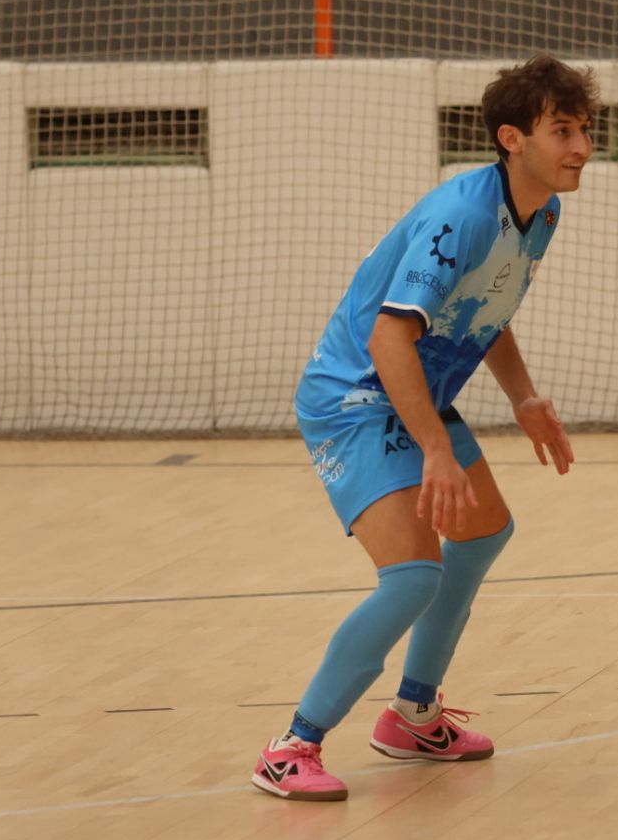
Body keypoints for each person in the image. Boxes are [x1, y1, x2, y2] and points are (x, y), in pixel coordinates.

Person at [252, 55, 596, 801]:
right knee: (411, 575)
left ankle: (412, 712)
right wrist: (436, 448)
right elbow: (386, 338)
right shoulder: (463, 216)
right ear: (513, 138)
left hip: (414, 389)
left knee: (482, 532)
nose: (580, 147)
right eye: (561, 130)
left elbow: (485, 309)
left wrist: (525, 397)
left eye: (585, 129)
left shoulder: (542, 212)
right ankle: (290, 746)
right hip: (355, 394)